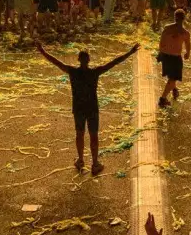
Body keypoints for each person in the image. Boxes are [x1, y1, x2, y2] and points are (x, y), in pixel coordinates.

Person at [36, 40, 139, 175]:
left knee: (79, 134)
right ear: (89, 60)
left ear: (78, 60)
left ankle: (80, 160)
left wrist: (43, 51)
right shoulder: (95, 72)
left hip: (78, 108)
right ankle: (95, 163)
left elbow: (56, 62)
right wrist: (130, 52)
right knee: (93, 135)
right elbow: (114, 62)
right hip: (92, 108)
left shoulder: (73, 72)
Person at [156, 9, 191, 107]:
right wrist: (188, 53)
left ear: (174, 17)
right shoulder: (185, 33)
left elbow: (161, 42)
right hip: (175, 57)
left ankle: (174, 89)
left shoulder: (167, 28)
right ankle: (162, 99)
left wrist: (160, 52)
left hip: (165, 55)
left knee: (171, 76)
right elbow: (188, 44)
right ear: (184, 18)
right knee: (173, 78)